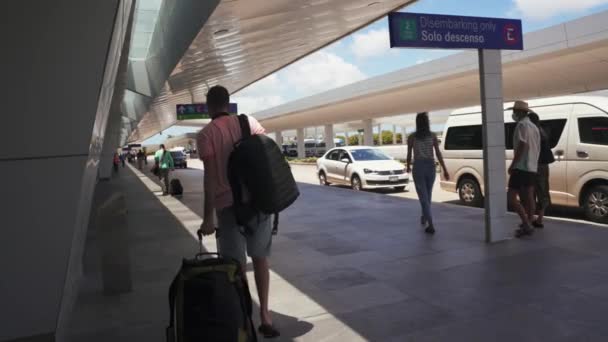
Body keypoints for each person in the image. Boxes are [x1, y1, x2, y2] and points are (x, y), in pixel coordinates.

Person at [197, 85, 279, 338]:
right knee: (261, 259)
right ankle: (265, 315)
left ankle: (243, 318)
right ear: (229, 103)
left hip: (227, 207)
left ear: (209, 106)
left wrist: (207, 216)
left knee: (235, 266)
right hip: (257, 202)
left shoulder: (206, 134)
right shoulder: (250, 122)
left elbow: (209, 178)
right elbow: (266, 155)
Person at [406, 112, 450, 235]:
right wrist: (444, 169)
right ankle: (424, 216)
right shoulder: (433, 136)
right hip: (431, 166)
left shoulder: (412, 137)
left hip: (418, 167)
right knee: (428, 195)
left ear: (417, 123)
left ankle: (431, 224)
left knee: (423, 197)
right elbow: (438, 154)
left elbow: (409, 154)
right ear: (427, 123)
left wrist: (408, 166)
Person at [508, 101, 541, 238]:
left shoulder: (522, 125)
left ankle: (526, 225)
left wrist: (513, 164)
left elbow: (522, 144)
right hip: (532, 167)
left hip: (521, 167)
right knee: (529, 197)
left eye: (515, 111)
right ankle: (529, 222)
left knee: (511, 198)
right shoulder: (534, 127)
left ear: (521, 112)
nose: (513, 114)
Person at [528, 112, 555, 228]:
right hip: (543, 165)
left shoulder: (535, 132)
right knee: (542, 191)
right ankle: (538, 218)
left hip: (536, 165)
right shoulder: (542, 131)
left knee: (532, 191)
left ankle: (533, 219)